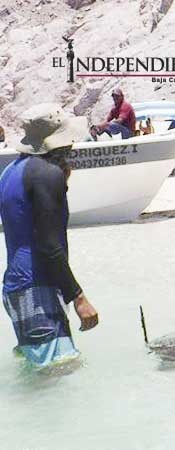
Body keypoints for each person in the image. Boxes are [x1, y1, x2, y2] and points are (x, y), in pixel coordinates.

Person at [0, 104, 99, 368]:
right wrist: (78, 297)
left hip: (17, 286)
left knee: (41, 377)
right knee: (60, 373)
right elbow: (48, 245)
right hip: (36, 285)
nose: (72, 146)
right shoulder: (46, 173)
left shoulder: (11, 171)